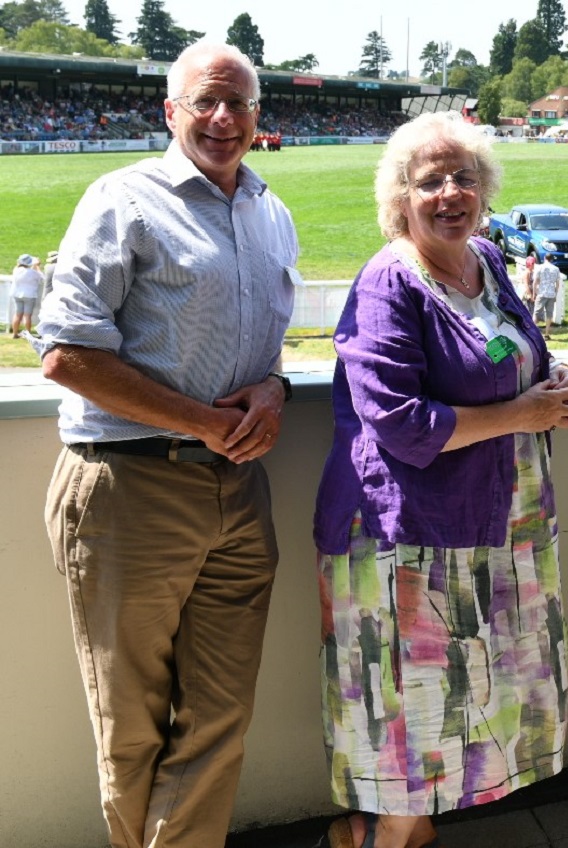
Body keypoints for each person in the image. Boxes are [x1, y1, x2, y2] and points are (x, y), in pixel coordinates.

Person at [35, 42, 298, 848]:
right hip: (128, 489)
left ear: (259, 116)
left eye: (241, 104)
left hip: (237, 494)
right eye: (206, 103)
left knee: (220, 717)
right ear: (170, 111)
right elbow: (66, 353)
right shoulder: (123, 199)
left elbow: (265, 351)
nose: (224, 119)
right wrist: (206, 421)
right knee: (133, 725)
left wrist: (273, 390)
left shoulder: (270, 211)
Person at [312, 111, 568, 848]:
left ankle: (408, 827)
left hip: (502, 519)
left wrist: (550, 379)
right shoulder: (388, 281)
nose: (450, 192)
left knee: (470, 694)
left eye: (464, 176)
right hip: (409, 532)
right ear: (400, 197)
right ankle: (383, 834)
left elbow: (513, 355)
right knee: (412, 702)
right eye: (429, 180)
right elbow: (399, 422)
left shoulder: (487, 261)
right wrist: (523, 412)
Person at [9, 253, 42, 337]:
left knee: (17, 314)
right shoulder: (33, 273)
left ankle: (15, 333)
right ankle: (28, 334)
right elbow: (41, 277)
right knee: (27, 316)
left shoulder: (16, 270)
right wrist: (37, 266)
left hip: (17, 294)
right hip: (29, 295)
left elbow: (19, 267)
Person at [532, 253, 565, 338]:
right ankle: (546, 334)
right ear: (552, 259)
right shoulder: (556, 269)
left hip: (542, 292)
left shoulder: (540, 267)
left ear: (544, 258)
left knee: (536, 313)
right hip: (551, 293)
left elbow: (535, 281)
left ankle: (532, 333)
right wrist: (555, 294)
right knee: (549, 314)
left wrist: (534, 293)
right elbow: (557, 284)